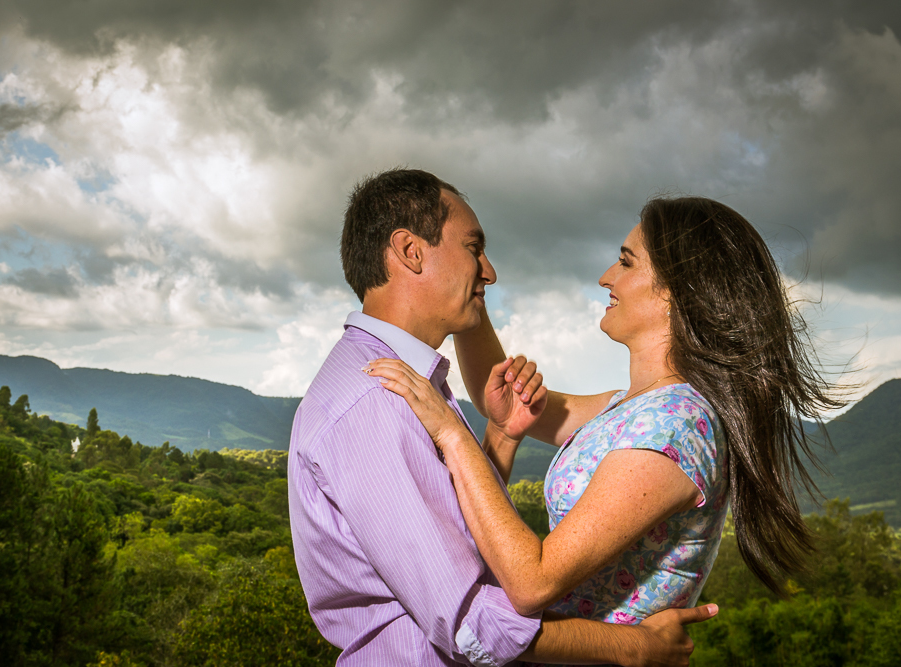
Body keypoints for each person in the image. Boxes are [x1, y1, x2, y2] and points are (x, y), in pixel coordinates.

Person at [288, 169, 717, 666]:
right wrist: (636, 646)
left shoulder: (670, 420)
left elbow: (460, 535)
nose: (490, 272)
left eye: (625, 261)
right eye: (474, 248)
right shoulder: (378, 398)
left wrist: (499, 435)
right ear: (410, 251)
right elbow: (471, 622)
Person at [366, 196, 842, 636]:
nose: (605, 277)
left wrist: (453, 433)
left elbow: (531, 583)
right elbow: (505, 393)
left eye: (626, 262)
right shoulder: (633, 409)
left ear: (676, 293)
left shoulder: (673, 425)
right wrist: (468, 289)